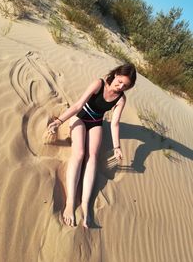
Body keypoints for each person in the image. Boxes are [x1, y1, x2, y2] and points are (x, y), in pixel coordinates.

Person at [47, 63, 137, 228]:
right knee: (79, 153)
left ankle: (86, 206)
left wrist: (117, 147)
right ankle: (70, 203)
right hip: (80, 117)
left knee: (93, 157)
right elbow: (77, 106)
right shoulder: (99, 83)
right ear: (115, 74)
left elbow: (115, 123)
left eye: (126, 85)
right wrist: (59, 122)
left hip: (96, 122)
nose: (121, 86)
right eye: (119, 81)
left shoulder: (121, 98)